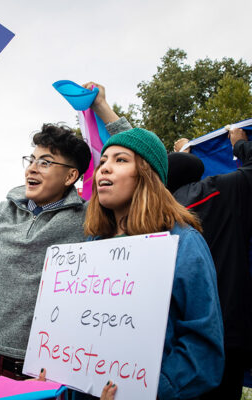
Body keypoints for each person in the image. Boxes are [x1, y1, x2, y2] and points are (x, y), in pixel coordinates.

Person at [0, 114, 133, 384]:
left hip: (57, 372)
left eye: (45, 162)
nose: (32, 168)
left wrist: (102, 108)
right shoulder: (0, 214)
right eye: (31, 160)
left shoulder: (90, 217)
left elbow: (141, 172)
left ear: (70, 176)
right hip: (1, 366)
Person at [81, 82, 224, 399]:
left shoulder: (183, 244)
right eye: (103, 160)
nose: (105, 167)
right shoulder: (91, 246)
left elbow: (203, 350)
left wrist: (141, 391)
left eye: (120, 160)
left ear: (146, 174)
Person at [167, 132, 252, 400]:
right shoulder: (222, 190)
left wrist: (184, 156)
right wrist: (239, 144)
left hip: (177, 345)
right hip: (228, 334)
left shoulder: (149, 213)